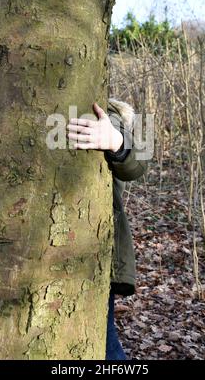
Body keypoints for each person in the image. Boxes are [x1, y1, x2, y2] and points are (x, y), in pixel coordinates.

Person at [67, 99, 149, 360]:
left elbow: (136, 164)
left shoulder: (104, 111)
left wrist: (116, 142)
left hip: (91, 253)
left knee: (102, 341)